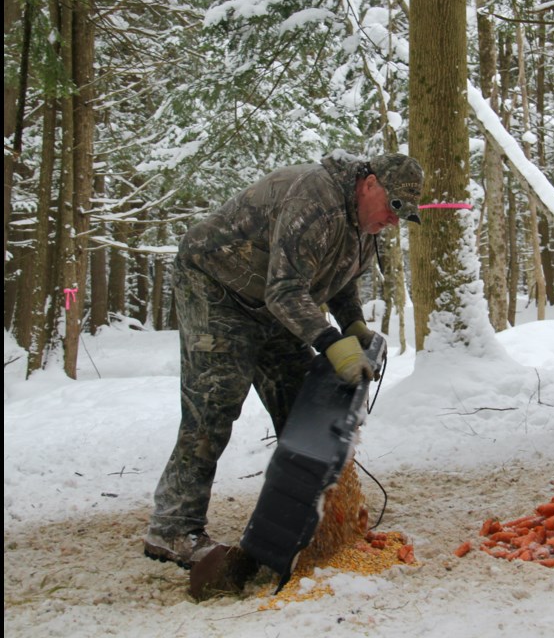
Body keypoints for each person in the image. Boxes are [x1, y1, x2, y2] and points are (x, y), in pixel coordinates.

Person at [143, 151, 424, 568]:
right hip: (218, 287)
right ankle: (172, 528)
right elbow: (286, 289)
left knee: (306, 404)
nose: (395, 219)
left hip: (274, 300)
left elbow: (340, 280)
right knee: (214, 403)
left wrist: (354, 326)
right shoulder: (315, 200)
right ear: (369, 184)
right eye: (393, 206)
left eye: (405, 212)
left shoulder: (363, 222)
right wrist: (331, 342)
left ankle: (320, 520)